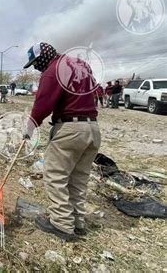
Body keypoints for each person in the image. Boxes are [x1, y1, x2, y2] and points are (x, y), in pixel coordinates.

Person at [22, 42, 101, 241]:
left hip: (71, 129)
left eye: (35, 62)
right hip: (92, 128)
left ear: (43, 57)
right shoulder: (81, 65)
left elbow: (43, 103)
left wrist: (30, 128)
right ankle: (77, 222)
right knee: (78, 178)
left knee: (55, 175)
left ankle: (62, 225)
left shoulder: (52, 70)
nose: (35, 67)